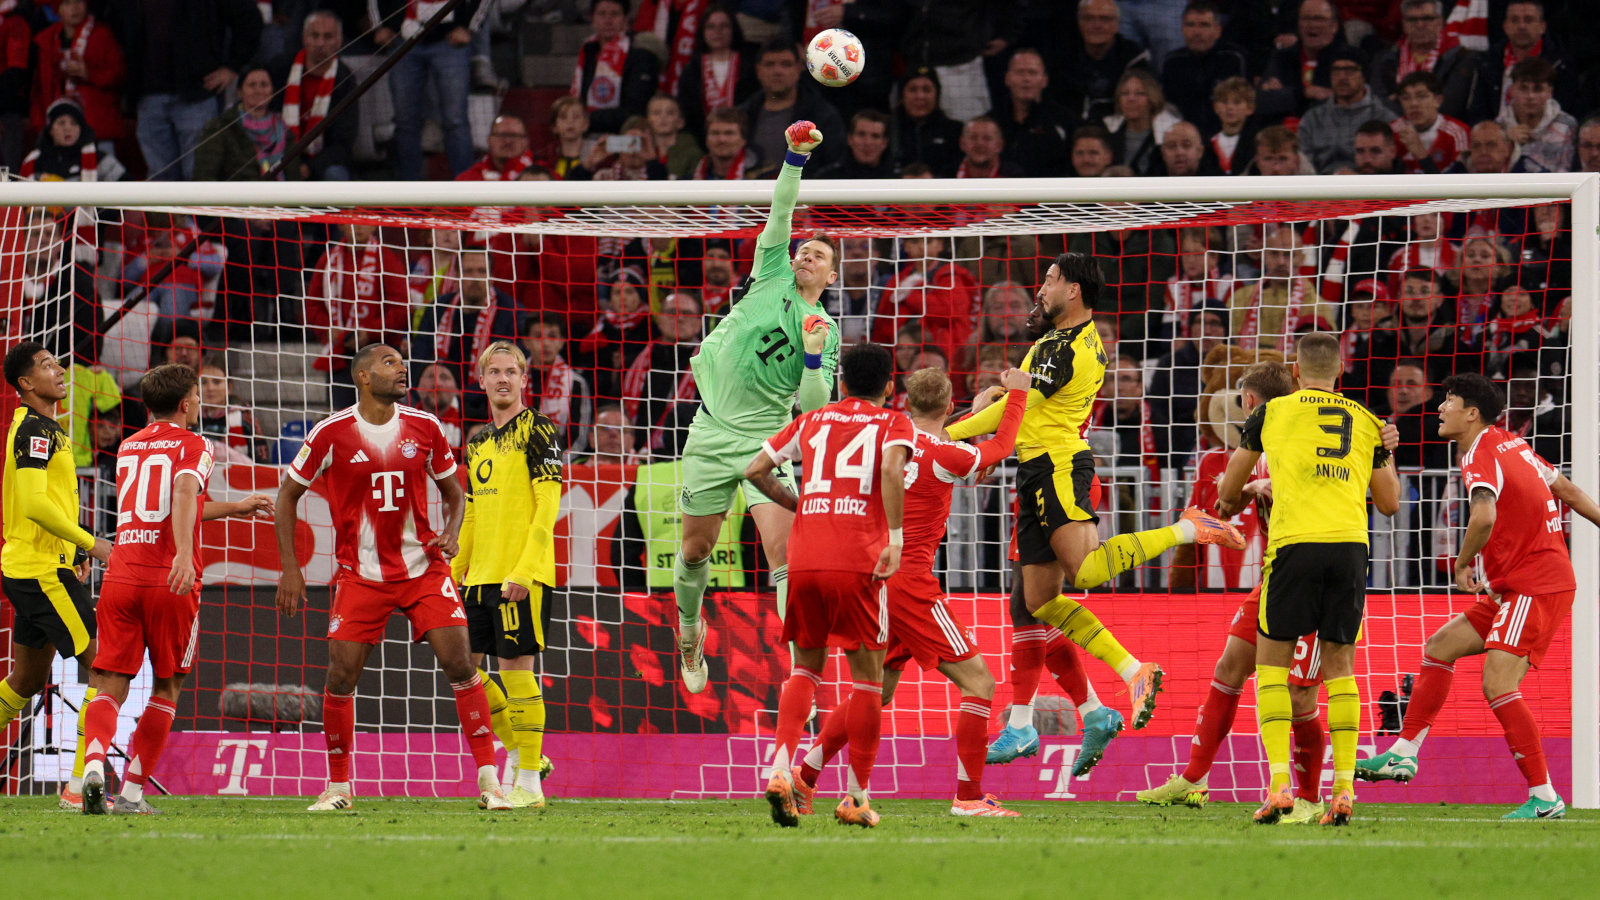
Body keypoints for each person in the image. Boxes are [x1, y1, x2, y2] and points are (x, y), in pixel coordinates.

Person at [946, 254, 1246, 730]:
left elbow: (1013, 415)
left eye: (1049, 280)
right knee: (1041, 600)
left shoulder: (1065, 349)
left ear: (1074, 291)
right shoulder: (1059, 341)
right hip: (1036, 468)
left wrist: (946, 435)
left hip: (1058, 469)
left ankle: (1188, 528)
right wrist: (998, 434)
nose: (1040, 289)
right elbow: (1024, 406)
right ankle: (1132, 671)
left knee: (1084, 573)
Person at [1140, 361, 1398, 820]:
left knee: (1301, 697)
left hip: (1316, 565)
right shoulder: (1258, 445)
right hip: (1277, 573)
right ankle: (1194, 779)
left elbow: (1325, 482)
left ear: (1253, 403)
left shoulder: (1294, 435)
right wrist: (1242, 489)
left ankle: (1310, 797)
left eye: (1243, 403)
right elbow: (1228, 501)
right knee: (1230, 666)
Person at [274, 343, 508, 811]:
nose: (402, 368)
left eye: (402, 362)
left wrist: (450, 530)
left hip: (423, 569)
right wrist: (291, 568)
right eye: (389, 363)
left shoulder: (425, 426)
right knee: (341, 676)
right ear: (362, 376)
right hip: (360, 575)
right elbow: (286, 498)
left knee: (462, 665)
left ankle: (491, 784)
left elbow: (455, 492)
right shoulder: (330, 432)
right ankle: (338, 788)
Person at [792, 365, 1032, 818]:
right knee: (979, 683)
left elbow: (936, 439)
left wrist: (978, 413)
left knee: (876, 690)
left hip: (866, 571)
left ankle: (804, 780)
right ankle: (968, 796)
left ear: (904, 399)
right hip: (907, 581)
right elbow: (1001, 447)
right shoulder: (950, 454)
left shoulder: (887, 439)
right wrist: (1016, 397)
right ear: (946, 406)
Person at [1357, 373, 1600, 819]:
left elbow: (1483, 516)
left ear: (1471, 412)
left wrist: (1463, 563)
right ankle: (1403, 752)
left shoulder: (1480, 454)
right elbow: (1563, 488)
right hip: (1518, 583)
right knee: (1440, 646)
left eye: (1447, 400)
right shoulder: (1512, 443)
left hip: (1535, 583)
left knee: (1498, 684)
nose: (1439, 408)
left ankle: (1545, 796)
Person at [671, 121, 843, 693]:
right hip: (712, 430)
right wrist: (795, 156)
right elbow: (780, 213)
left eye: (818, 256)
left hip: (769, 442)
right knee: (695, 551)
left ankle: (802, 675)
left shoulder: (825, 327)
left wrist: (815, 357)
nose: (805, 256)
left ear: (831, 274)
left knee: (785, 554)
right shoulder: (769, 274)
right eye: (803, 251)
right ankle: (689, 629)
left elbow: (815, 410)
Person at [1216, 331, 1401, 826]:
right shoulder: (1365, 420)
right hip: (1349, 550)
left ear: (1295, 373)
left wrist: (1229, 502)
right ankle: (1343, 791)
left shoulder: (1271, 413)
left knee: (1272, 668)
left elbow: (1232, 484)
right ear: (1340, 373)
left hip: (1295, 546)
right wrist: (1386, 449)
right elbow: (1389, 503)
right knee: (1341, 670)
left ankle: (1279, 786)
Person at [78, 364, 272, 815]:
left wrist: (232, 508)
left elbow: (163, 506)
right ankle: (129, 794)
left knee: (109, 681)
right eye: (198, 397)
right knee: (167, 687)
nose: (201, 404)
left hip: (122, 574)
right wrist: (184, 554)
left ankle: (92, 764)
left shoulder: (129, 445)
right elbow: (183, 494)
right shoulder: (195, 443)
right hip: (170, 578)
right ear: (186, 404)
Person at [746, 342, 913, 829]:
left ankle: (780, 768)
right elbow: (888, 469)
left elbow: (754, 470)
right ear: (888, 385)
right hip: (858, 561)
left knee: (805, 670)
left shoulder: (813, 420)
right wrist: (897, 539)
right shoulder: (892, 422)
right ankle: (857, 797)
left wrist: (798, 505)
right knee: (868, 681)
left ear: (840, 384)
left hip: (804, 560)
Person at [0, 343, 114, 812]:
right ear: (26, 384)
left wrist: (72, 551)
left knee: (25, 681)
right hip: (40, 572)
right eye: (47, 365)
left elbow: (51, 504)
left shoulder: (47, 429)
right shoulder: (34, 431)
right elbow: (33, 505)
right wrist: (91, 541)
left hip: (40, 565)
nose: (59, 369)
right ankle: (75, 786)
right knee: (105, 668)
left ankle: (76, 783)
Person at [453, 341, 562, 809]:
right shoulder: (476, 441)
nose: (502, 378)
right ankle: (523, 756)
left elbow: (548, 506)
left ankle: (529, 788)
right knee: (467, 670)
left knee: (516, 672)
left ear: (523, 379)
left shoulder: (538, 430)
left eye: (511, 371)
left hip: (522, 575)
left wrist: (524, 569)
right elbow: (473, 515)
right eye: (493, 371)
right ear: (480, 380)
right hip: (479, 576)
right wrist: (453, 573)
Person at [110, 0, 262, 180]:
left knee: (200, 176)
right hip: (148, 96)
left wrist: (233, 66)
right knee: (160, 182)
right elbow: (114, 24)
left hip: (197, 95)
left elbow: (249, 17)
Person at [372, 0, 482, 178]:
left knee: (455, 120)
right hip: (403, 39)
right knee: (405, 122)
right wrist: (379, 26)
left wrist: (471, 26)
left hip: (451, 40)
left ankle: (466, 191)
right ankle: (407, 196)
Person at [29, 0, 126, 157]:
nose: (74, 8)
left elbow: (120, 75)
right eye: (67, 3)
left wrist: (89, 74)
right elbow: (39, 90)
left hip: (96, 130)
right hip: (58, 133)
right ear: (57, 9)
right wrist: (42, 127)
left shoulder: (102, 35)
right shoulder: (48, 40)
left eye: (79, 1)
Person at [870, 234, 980, 365]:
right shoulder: (896, 281)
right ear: (905, 246)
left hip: (944, 352)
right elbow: (883, 321)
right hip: (902, 353)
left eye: (928, 242)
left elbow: (950, 311)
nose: (922, 248)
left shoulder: (951, 276)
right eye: (915, 242)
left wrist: (911, 295)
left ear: (940, 245)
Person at [275, 10, 357, 181]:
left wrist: (309, 168)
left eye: (328, 37)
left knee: (336, 175)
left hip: (322, 162)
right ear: (304, 38)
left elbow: (343, 144)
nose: (320, 43)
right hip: (280, 155)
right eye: (315, 36)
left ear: (339, 41)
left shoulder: (345, 79)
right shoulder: (280, 68)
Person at [737, 40, 845, 170]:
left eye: (786, 65)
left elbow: (832, 169)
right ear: (758, 70)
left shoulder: (823, 117)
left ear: (799, 69)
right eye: (770, 65)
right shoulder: (742, 115)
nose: (777, 71)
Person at [1470, 0, 1574, 124]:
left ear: (1542, 27)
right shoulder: (1486, 62)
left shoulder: (1561, 65)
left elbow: (1566, 113)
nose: (1521, 26)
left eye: (1528, 20)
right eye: (1515, 20)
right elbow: (1477, 115)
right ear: (1505, 26)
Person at [1296, 47, 1395, 174]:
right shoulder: (1313, 118)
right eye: (1336, 71)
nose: (1342, 77)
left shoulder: (1384, 117)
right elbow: (1301, 163)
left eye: (1350, 71)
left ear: (1364, 76)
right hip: (1320, 188)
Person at [1370, 0, 1475, 120]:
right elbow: (1379, 102)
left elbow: (1451, 105)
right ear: (1404, 25)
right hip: (1395, 128)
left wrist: (1402, 103)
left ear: (1440, 23)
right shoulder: (1385, 58)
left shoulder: (1460, 57)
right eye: (1412, 20)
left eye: (1427, 18)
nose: (1420, 25)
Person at [1055, 0, 1151, 123]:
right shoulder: (1062, 57)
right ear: (1079, 23)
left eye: (1105, 19)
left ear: (1116, 25)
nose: (1097, 25)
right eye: (1089, 18)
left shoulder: (1134, 59)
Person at [985, 48, 1075, 178]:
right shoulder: (991, 122)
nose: (1026, 79)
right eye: (1019, 72)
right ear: (1007, 78)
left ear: (1044, 80)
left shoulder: (1066, 121)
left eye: (1032, 73)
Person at [1160, 1, 1246, 136]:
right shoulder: (1172, 62)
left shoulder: (1234, 59)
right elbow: (1168, 111)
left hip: (1228, 138)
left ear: (1218, 31)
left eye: (1204, 25)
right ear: (1182, 29)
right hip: (1185, 140)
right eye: (1190, 25)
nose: (1196, 32)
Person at [191, 66, 288, 181]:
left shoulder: (285, 128)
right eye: (252, 85)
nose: (258, 90)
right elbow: (204, 177)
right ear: (239, 92)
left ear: (273, 90)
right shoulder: (220, 128)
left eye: (264, 85)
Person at [675, 5, 756, 137]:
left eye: (724, 26)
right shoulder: (692, 69)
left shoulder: (749, 64)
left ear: (733, 30)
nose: (717, 31)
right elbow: (687, 109)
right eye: (710, 27)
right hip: (703, 137)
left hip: (744, 135)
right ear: (703, 31)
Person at [522, 312, 593, 454]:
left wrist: (553, 465)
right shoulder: (513, 381)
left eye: (552, 336)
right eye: (538, 336)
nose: (546, 343)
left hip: (562, 467)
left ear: (562, 342)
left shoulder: (576, 383)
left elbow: (578, 439)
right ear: (526, 342)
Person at [1498, 58, 1576, 174]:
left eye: (1538, 89)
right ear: (1512, 90)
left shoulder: (1567, 125)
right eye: (1523, 88)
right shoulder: (1499, 127)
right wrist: (1505, 141)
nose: (1530, 96)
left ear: (1550, 92)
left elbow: (1569, 172)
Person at [21, 99, 125, 182]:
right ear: (50, 130)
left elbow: (128, 194)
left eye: (74, 123)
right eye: (61, 123)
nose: (68, 128)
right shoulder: (34, 162)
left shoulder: (99, 159)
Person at [1389, 72, 1469, 174]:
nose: (1413, 104)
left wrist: (1421, 154)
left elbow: (1459, 183)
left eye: (1421, 96)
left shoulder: (1457, 133)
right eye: (1406, 98)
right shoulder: (1393, 131)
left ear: (1438, 101)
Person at [891, 68, 964, 176]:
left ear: (937, 95)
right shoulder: (888, 129)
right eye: (913, 90)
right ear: (902, 96)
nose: (920, 96)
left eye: (926, 90)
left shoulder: (955, 131)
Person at [198, 359, 269, 463]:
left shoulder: (245, 419)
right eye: (203, 382)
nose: (210, 388)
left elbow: (262, 462)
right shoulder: (190, 419)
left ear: (229, 387)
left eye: (216, 382)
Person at [815, 109, 896, 179]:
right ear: (849, 139)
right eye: (861, 134)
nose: (868, 142)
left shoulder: (898, 181)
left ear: (885, 143)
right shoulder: (827, 179)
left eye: (875, 136)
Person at [457, 114, 536, 181]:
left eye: (514, 135)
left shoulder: (542, 178)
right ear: (489, 140)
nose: (507, 141)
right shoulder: (467, 180)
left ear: (526, 141)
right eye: (501, 135)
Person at [1205, 77, 1257, 176]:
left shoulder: (1257, 142)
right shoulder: (1208, 144)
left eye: (1237, 102)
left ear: (1250, 108)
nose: (1229, 107)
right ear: (1215, 107)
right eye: (1224, 102)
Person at [646, 93, 703, 178]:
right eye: (656, 113)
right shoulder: (640, 150)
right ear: (648, 120)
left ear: (681, 122)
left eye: (670, 113)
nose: (663, 117)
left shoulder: (693, 153)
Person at [692, 107, 758, 178]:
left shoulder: (762, 179)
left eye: (729, 133)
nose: (721, 139)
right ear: (706, 140)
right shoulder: (689, 179)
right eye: (715, 133)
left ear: (743, 140)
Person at [949, 115, 1023, 178]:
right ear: (962, 144)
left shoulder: (1016, 178)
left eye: (987, 138)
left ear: (999, 145)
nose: (979, 143)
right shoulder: (947, 176)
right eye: (973, 137)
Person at [1155, 121, 1221, 177]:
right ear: (1163, 153)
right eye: (1171, 146)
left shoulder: (1218, 183)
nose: (1179, 152)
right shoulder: (1151, 185)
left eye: (1186, 145)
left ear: (1200, 151)